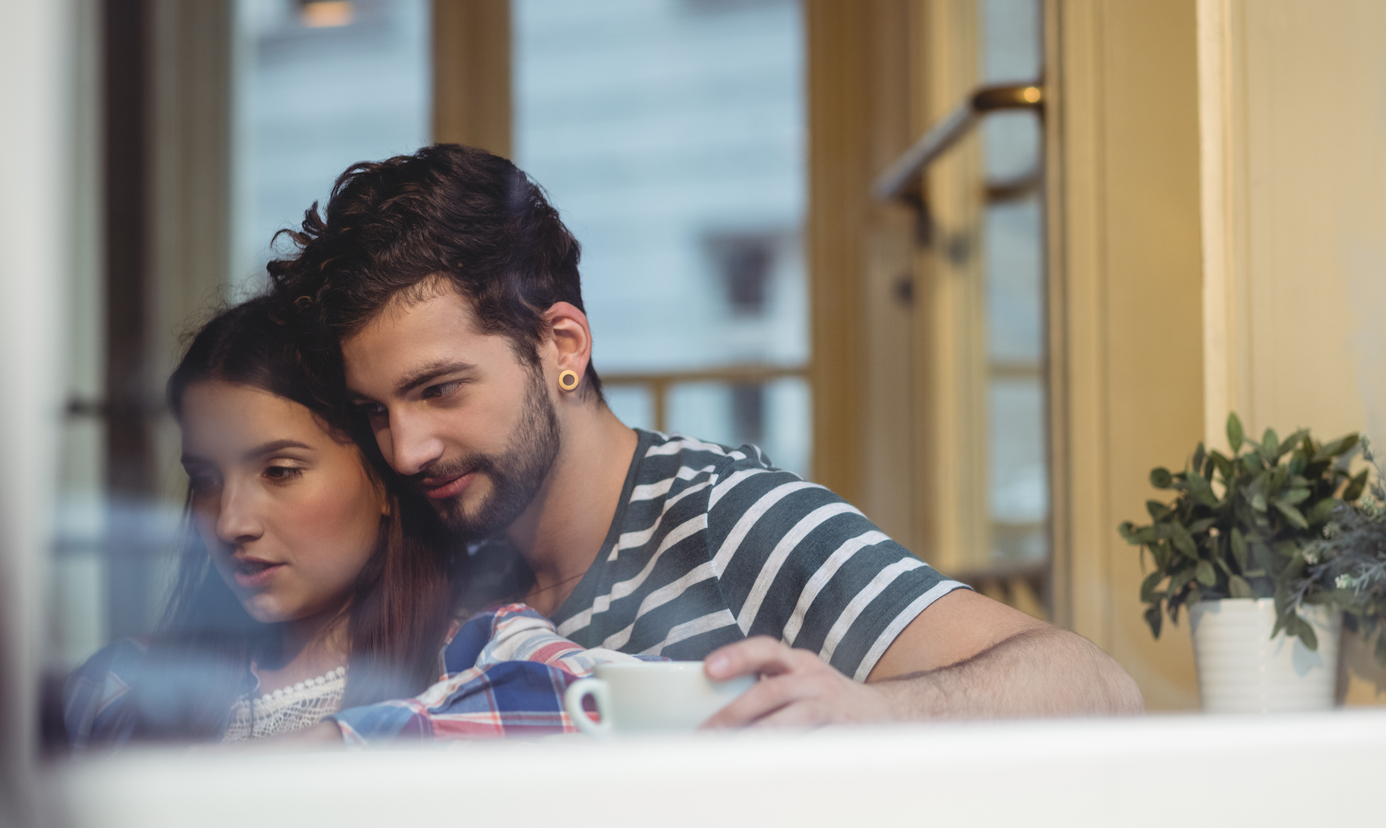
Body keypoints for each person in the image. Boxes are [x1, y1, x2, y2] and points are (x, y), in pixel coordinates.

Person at [269, 145, 1143, 726]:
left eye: (439, 390)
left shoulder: (726, 523)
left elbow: (1100, 688)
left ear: (561, 346)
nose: (406, 447)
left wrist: (870, 713)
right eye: (377, 410)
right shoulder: (444, 559)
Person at [63, 297, 647, 748]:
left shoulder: (479, 653)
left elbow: (613, 708)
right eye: (206, 481)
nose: (231, 522)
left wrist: (329, 746)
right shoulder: (119, 686)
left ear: (384, 481)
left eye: (281, 471)